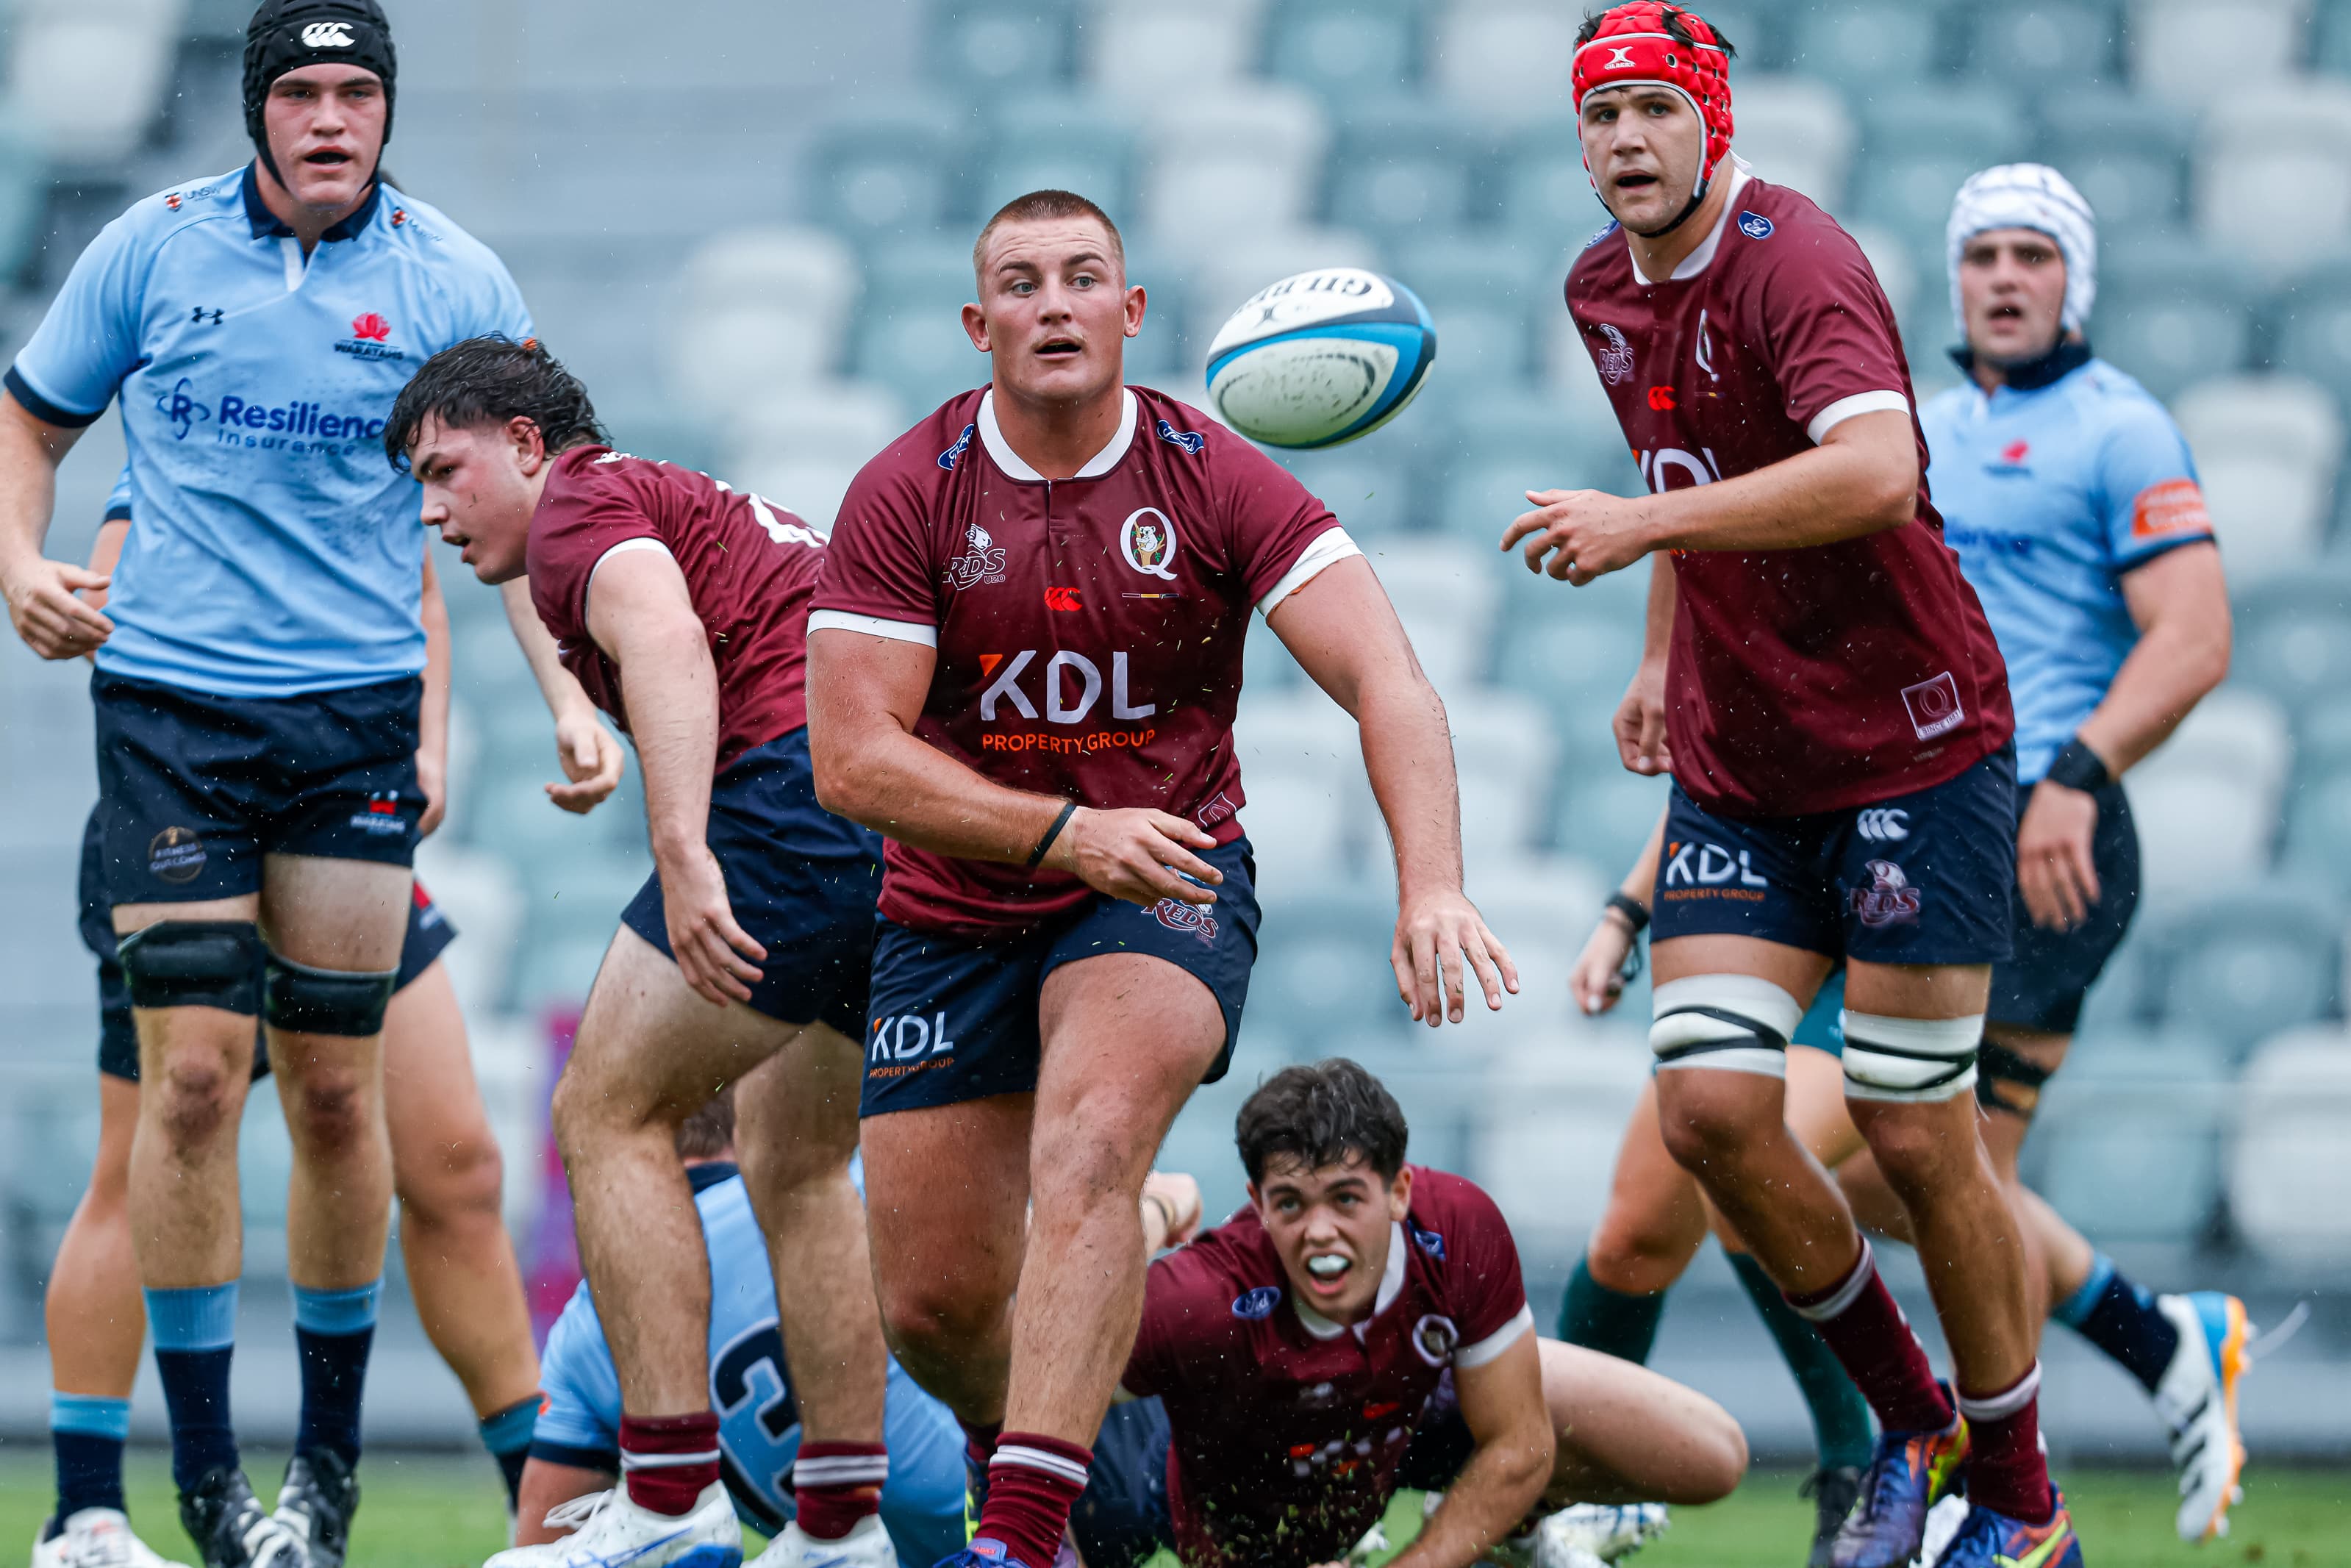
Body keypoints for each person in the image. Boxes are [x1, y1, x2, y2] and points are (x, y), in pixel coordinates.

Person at [802, 187, 1517, 1568]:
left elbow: (1389, 679)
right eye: (1020, 283)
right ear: (977, 324)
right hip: (955, 911)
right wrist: (1059, 830)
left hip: (1165, 881)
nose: (1052, 303)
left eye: (1082, 278)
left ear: (1131, 314)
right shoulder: (906, 488)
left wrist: (1430, 882)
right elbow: (851, 761)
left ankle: (1014, 1537)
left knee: (1085, 1150)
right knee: (940, 1304)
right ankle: (1092, 1468)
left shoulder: (1214, 475)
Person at [1506, 7, 2075, 1565]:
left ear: (1713, 121)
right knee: (1706, 1112)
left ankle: (2019, 1492)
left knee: (1912, 1131)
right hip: (1744, 761)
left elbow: (1880, 470)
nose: (1622, 140)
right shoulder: (1596, 286)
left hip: (1910, 741)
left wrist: (1638, 531)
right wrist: (1653, 647)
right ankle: (1910, 1420)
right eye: (1598, 114)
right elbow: (1689, 484)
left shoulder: (1797, 259)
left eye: (1650, 109)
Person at [0, 2, 533, 1561]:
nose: (326, 117)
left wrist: (513, 708)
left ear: (386, 111)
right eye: (296, 91)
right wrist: (22, 573)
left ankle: (502, 1493)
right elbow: (38, 437)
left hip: (348, 746)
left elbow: (483, 536)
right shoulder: (150, 261)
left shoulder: (450, 285)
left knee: (426, 1141)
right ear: (253, 112)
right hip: (172, 747)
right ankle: (121, 1501)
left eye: (353, 90)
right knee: (173, 1102)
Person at [388, 337, 898, 1568]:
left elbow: (668, 645)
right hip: (890, 827)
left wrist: (683, 852)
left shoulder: (574, 508)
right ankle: (841, 1523)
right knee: (797, 1159)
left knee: (604, 1110)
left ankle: (670, 1499)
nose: (432, 509)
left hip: (790, 802)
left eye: (445, 470)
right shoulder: (654, 495)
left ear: (522, 443)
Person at [37, 486, 554, 1568]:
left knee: (456, 1163)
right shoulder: (209, 417)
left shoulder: (358, 428)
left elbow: (419, 586)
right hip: (192, 827)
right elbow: (115, 567)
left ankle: (546, 1507)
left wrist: (419, 748)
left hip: (337, 820)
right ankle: (85, 1513)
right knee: (142, 1157)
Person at [1915, 162, 2244, 1543]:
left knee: (1937, 1176)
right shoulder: (1918, 429)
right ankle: (2155, 1338)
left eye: (2029, 257)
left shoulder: (2122, 429)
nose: (2002, 277)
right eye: (1981, 254)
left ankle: (1990, 1486)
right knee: (1927, 1177)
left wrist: (2072, 772)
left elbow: (2195, 634)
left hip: (2049, 833)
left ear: (2073, 281)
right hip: (1925, 824)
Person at [1092, 1059, 1746, 1568]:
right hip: (1260, 1481)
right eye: (1290, 1203)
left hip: (1406, 1415)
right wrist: (1150, 1212)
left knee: (1708, 1455)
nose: (1320, 1231)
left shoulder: (1458, 1226)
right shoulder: (1199, 1301)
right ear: (1257, 1205)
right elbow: (1025, 1363)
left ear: (1399, 1191)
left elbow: (1519, 1442)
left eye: (1346, 1198)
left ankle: (1518, 1525)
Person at [518, 1089, 1210, 1568]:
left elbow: (546, 1542)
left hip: (915, 1542)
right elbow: (1055, 1277)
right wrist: (1153, 1205)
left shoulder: (586, 1326)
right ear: (744, 1128)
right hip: (1077, 1473)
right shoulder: (831, 1191)